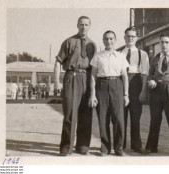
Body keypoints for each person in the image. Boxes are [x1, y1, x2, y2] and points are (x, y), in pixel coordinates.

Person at [54, 16, 96, 156]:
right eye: (81, 24)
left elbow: (95, 67)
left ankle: (83, 146)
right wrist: (57, 82)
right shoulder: (69, 42)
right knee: (70, 113)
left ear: (90, 26)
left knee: (86, 114)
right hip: (72, 76)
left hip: (87, 78)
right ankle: (66, 147)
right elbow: (58, 62)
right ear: (77, 25)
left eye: (86, 25)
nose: (84, 27)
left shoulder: (93, 45)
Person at [89, 30, 129, 156]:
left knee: (118, 119)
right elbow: (93, 76)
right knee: (103, 118)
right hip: (102, 85)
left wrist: (126, 94)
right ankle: (105, 147)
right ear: (103, 40)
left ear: (115, 40)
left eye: (111, 39)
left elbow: (125, 76)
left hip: (117, 85)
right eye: (106, 39)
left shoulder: (121, 56)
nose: (109, 41)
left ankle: (119, 148)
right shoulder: (98, 56)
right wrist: (93, 94)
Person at [121, 27, 149, 152]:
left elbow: (145, 74)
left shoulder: (142, 54)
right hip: (121, 85)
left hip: (136, 85)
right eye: (128, 36)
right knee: (121, 117)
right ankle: (120, 146)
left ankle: (136, 145)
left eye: (133, 36)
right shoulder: (119, 53)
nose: (130, 38)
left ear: (137, 38)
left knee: (135, 117)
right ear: (124, 37)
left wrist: (143, 91)